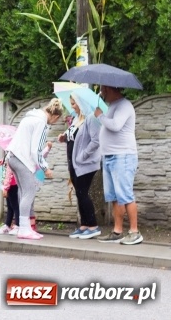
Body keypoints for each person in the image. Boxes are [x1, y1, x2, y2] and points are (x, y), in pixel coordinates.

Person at [5, 98, 62, 240]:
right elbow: (35, 150)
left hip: (12, 156)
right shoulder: (41, 123)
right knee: (29, 192)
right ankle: (24, 229)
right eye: (57, 120)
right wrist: (45, 168)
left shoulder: (30, 117)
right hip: (22, 159)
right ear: (55, 116)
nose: (54, 123)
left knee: (23, 192)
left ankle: (24, 228)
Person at [95, 86, 141, 245]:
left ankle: (135, 232)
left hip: (123, 156)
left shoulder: (124, 105)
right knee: (114, 196)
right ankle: (117, 231)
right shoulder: (112, 106)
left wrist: (100, 116)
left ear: (108, 89)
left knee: (125, 194)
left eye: (102, 89)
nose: (101, 92)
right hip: (109, 156)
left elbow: (115, 125)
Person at [58, 93, 102, 239]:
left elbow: (96, 141)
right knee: (79, 193)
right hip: (74, 163)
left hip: (85, 163)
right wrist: (64, 137)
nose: (72, 106)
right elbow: (74, 138)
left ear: (81, 103)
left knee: (82, 193)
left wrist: (82, 156)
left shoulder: (91, 119)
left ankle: (93, 226)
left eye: (74, 103)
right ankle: (84, 225)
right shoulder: (76, 119)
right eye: (71, 103)